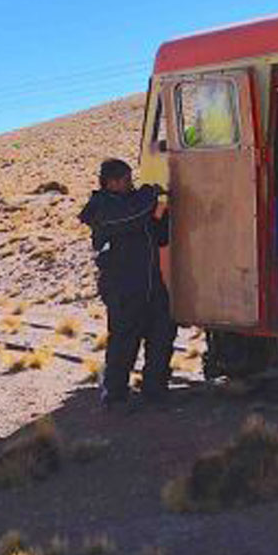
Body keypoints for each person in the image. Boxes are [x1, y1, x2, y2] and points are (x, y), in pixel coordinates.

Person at [78, 159, 175, 408]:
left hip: (151, 283)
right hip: (123, 287)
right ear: (110, 182)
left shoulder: (134, 204)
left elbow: (158, 235)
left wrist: (164, 215)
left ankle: (155, 389)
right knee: (124, 341)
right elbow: (129, 217)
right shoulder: (100, 208)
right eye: (125, 180)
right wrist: (149, 194)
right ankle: (115, 394)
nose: (130, 183)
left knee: (162, 334)